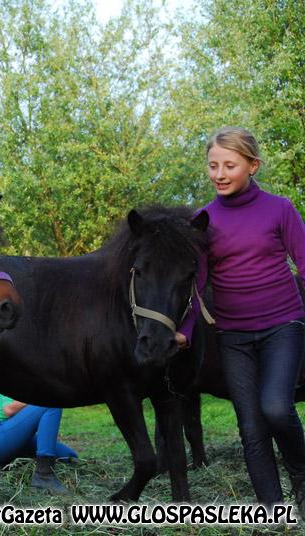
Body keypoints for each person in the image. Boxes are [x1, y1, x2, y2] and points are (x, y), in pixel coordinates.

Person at [177, 126, 305, 510]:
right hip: (232, 335)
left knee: (276, 408)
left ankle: (301, 476)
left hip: (283, 325)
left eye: (229, 165)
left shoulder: (280, 208)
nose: (219, 173)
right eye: (213, 165)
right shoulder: (204, 218)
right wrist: (184, 330)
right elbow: (197, 282)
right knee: (250, 427)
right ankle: (272, 509)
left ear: (252, 165)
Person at [0, 386, 77, 494]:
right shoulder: (9, 370)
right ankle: (44, 475)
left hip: (10, 433)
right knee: (51, 403)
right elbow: (9, 409)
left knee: (69, 456)